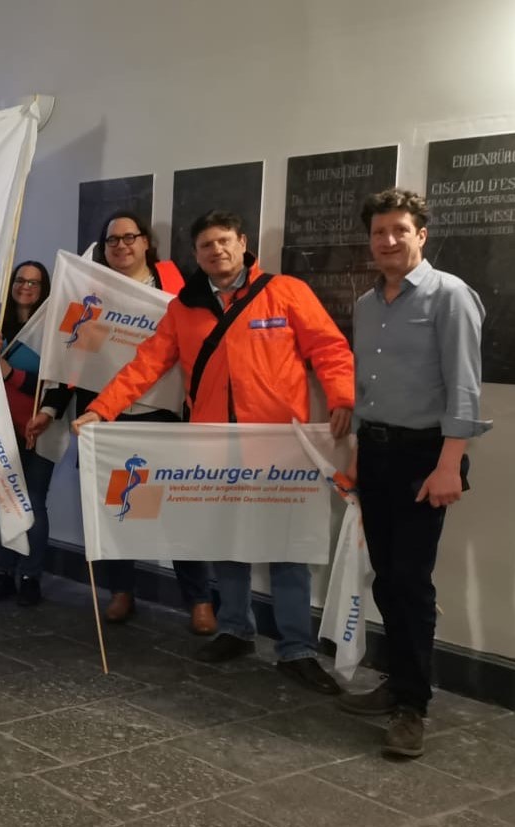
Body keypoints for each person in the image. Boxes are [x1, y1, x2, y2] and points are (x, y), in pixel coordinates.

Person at [73, 210, 355, 695]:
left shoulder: (285, 292)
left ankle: (296, 648)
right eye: (206, 245)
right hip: (214, 447)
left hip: (279, 447)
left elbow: (329, 349)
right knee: (226, 545)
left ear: (243, 243)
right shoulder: (184, 308)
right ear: (196, 255)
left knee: (288, 550)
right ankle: (235, 629)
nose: (216, 251)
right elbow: (145, 367)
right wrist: (101, 410)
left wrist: (342, 398)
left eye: (224, 241)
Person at [335, 189, 489, 759]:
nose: (388, 241)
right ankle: (398, 680)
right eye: (379, 232)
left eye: (400, 230)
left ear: (421, 235)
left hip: (427, 458)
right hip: (375, 454)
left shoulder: (450, 297)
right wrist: (355, 454)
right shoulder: (369, 304)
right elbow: (367, 390)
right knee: (386, 576)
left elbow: (465, 388)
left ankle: (411, 707)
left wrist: (451, 464)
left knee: (410, 580)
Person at [27, 213, 216, 634]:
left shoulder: (180, 293)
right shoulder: (94, 297)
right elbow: (76, 357)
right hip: (106, 417)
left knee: (177, 510)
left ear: (146, 242)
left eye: (130, 237)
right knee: (115, 510)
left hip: (163, 417)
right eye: (112, 240)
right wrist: (52, 409)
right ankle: (121, 591)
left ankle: (199, 599)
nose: (121, 245)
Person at [0, 261, 57, 607]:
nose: (26, 287)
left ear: (45, 289)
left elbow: (50, 384)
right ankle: (3, 571)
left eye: (35, 282)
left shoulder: (52, 330)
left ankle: (30, 576)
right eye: (20, 280)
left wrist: (10, 371)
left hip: (37, 429)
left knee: (33, 505)